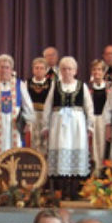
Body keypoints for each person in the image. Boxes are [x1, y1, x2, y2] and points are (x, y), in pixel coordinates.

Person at [42, 56, 94, 200]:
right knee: (60, 151)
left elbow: (89, 107)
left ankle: (74, 190)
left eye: (70, 69)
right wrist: (45, 126)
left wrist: (90, 126)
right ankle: (62, 189)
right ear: (60, 71)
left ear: (75, 71)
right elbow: (47, 106)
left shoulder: (82, 85)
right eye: (64, 69)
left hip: (77, 124)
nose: (67, 71)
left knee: (75, 152)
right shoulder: (55, 85)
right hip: (59, 124)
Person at [88, 59, 111, 173]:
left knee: (103, 145)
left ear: (104, 72)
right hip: (92, 119)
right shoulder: (88, 87)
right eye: (94, 69)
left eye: (99, 69)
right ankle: (94, 171)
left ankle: (103, 170)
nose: (97, 72)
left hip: (104, 119)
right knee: (92, 145)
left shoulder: (109, 87)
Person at [26, 57, 52, 157]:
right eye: (36, 68)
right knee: (33, 139)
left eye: (41, 68)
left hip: (45, 115)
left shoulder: (51, 83)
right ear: (33, 69)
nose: (39, 70)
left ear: (46, 70)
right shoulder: (27, 83)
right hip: (32, 115)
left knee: (45, 139)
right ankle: (34, 160)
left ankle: (45, 162)